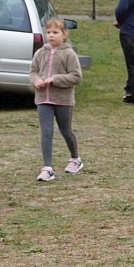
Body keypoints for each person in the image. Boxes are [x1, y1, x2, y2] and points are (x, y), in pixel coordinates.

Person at [30, 17, 84, 181]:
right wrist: (36, 80)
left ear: (64, 34)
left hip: (63, 101)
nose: (51, 36)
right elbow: (33, 72)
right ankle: (47, 168)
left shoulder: (69, 54)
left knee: (65, 131)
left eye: (55, 32)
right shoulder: (40, 53)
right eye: (48, 32)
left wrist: (55, 79)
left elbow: (76, 77)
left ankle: (76, 159)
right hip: (42, 99)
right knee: (46, 132)